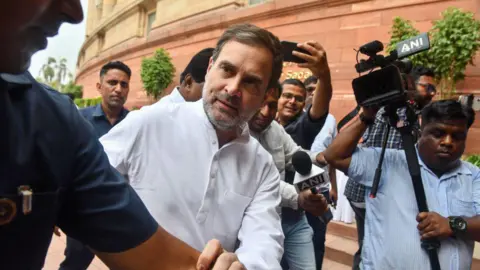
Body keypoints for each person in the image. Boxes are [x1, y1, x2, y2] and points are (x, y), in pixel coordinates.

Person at [0, 0, 240, 269]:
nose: (75, 14)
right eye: (112, 83)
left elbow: (153, 253)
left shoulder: (55, 123)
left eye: (124, 84)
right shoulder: (100, 120)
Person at [100, 23, 285, 269]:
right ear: (210, 68)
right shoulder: (150, 123)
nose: (232, 89)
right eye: (227, 70)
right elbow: (87, 178)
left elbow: (265, 241)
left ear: (266, 95)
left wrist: (243, 264)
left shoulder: (262, 166)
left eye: (251, 82)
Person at [324, 100, 479, 269]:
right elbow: (334, 156)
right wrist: (366, 116)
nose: (448, 142)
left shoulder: (474, 176)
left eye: (457, 136)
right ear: (421, 130)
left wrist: (452, 225)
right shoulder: (387, 162)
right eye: (438, 133)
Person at [343, 66, 436, 269]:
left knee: (373, 243)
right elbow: (342, 133)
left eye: (433, 88)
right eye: (426, 87)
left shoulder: (417, 114)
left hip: (387, 191)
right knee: (370, 246)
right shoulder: (394, 110)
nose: (431, 93)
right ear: (410, 84)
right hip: (365, 191)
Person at [59, 61, 132, 270]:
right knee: (74, 263)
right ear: (99, 87)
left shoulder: (135, 123)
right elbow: (64, 162)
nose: (118, 89)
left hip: (123, 211)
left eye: (124, 84)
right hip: (83, 210)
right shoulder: (80, 120)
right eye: (112, 82)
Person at [248, 82, 329, 270]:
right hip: (260, 224)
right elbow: (260, 181)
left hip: (295, 221)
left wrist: (320, 157)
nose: (266, 112)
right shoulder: (236, 134)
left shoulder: (275, 130)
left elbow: (295, 155)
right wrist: (298, 197)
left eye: (272, 105)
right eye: (261, 103)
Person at [276, 48, 333, 270]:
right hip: (267, 214)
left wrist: (324, 75)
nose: (292, 101)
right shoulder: (261, 127)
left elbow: (320, 107)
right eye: (287, 96)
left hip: (300, 211)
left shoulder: (303, 126)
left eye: (299, 99)